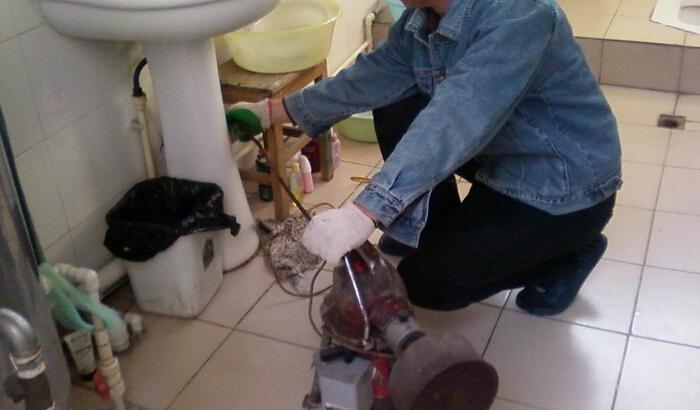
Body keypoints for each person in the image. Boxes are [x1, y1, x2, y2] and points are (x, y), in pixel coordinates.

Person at [241, 0, 622, 315]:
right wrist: (274, 111)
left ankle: (570, 255)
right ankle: (432, 232)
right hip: (501, 153)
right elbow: (374, 75)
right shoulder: (422, 18)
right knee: (395, 101)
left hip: (560, 183)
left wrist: (367, 211)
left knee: (426, 285)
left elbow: (456, 117)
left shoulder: (522, 15)